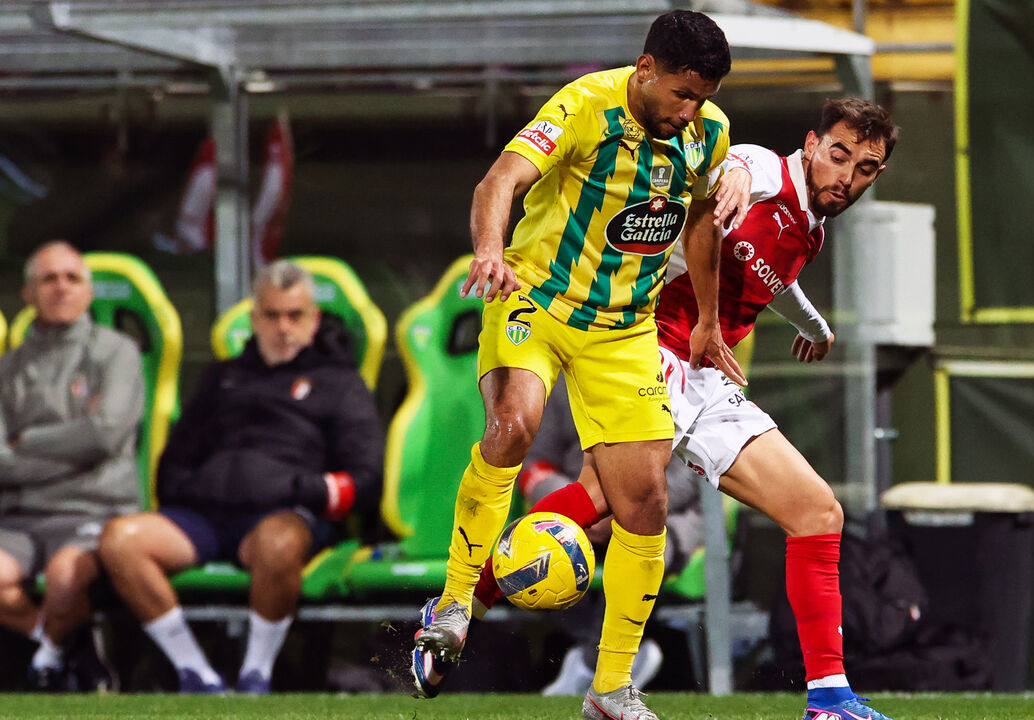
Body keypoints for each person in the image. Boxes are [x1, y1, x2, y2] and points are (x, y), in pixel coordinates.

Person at [440, 98, 901, 720]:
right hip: (649, 345)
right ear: (812, 144)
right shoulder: (766, 170)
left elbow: (771, 279)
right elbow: (736, 173)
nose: (846, 176)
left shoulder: (811, 227)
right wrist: (731, 172)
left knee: (817, 512)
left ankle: (829, 700)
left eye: (866, 168)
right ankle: (465, 607)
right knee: (606, 499)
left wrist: (816, 328)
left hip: (707, 374)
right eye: (839, 155)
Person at [411, 10, 748, 720]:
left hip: (624, 329)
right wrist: (489, 251)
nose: (691, 110)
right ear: (647, 67)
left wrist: (711, 322)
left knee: (645, 502)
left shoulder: (707, 133)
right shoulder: (582, 105)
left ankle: (610, 690)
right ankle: (452, 604)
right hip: (534, 298)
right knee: (513, 425)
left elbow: (700, 220)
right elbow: (496, 183)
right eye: (682, 94)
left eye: (704, 97)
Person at [98, 260, 384, 694]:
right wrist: (197, 488)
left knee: (278, 541)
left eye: (295, 315)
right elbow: (174, 461)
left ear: (315, 319)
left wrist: (299, 490)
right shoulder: (221, 377)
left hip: (279, 519)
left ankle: (256, 674)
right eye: (271, 315)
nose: (283, 327)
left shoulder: (339, 383)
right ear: (253, 319)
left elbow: (366, 479)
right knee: (120, 540)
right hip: (204, 518)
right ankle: (195, 672)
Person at [0, 241, 145, 690]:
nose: (61, 288)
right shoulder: (7, 368)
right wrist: (77, 448)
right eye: (48, 279)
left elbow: (105, 434)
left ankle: (57, 658)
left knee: (66, 578)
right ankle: (68, 650)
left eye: (72, 278)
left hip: (94, 508)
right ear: (28, 294)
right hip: (19, 516)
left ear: (88, 292)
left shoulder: (117, 352)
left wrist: (28, 442)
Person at [515, 380, 704, 697]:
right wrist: (577, 506)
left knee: (639, 547)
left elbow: (691, 473)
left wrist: (621, 509)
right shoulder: (567, 381)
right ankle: (600, 658)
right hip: (579, 513)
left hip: (667, 515)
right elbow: (535, 465)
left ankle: (591, 668)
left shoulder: (679, 379)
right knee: (525, 557)